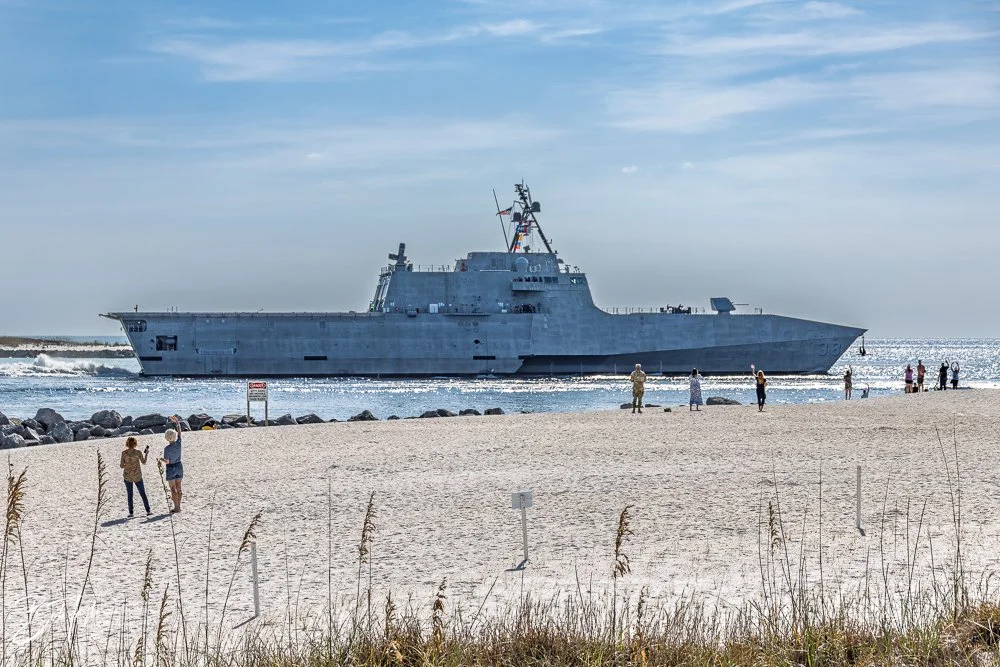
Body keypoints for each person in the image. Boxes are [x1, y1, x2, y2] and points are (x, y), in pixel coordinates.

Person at [120, 436, 152, 517]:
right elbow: (144, 462)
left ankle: (131, 513)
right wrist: (146, 454)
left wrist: (127, 464)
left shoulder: (124, 453)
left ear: (127, 444)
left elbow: (121, 466)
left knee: (130, 495)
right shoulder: (138, 452)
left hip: (127, 476)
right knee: (143, 494)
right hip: (137, 476)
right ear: (135, 444)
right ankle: (148, 511)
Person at [160, 415, 184, 513]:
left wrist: (161, 459)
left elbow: (167, 461)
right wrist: (177, 423)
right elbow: (180, 433)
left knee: (173, 489)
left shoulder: (167, 449)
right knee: (179, 487)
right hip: (179, 466)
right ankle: (179, 507)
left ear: (167, 438)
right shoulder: (179, 443)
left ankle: (176, 507)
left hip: (171, 468)